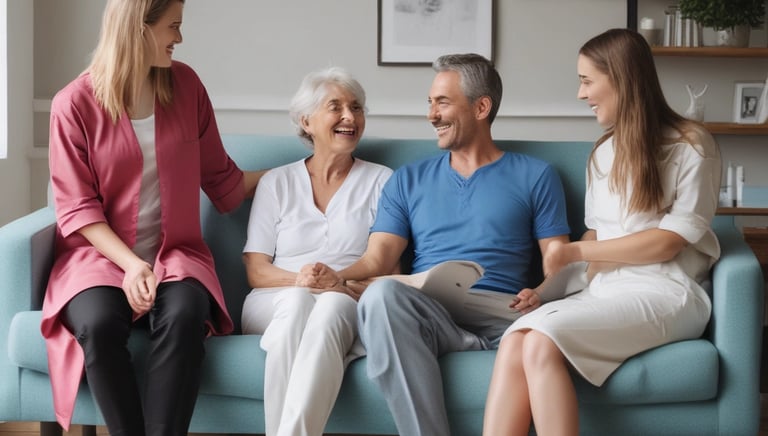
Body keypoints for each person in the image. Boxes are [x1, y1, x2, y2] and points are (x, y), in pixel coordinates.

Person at [297, 53, 571, 436]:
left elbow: (557, 260)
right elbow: (380, 257)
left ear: (481, 107)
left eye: (442, 102)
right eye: (430, 103)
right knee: (380, 296)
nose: (431, 115)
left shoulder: (536, 175)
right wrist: (337, 277)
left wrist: (540, 292)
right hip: (433, 316)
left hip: (503, 317)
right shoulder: (408, 180)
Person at [482, 28, 721, 436]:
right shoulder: (603, 152)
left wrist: (573, 252)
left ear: (621, 79)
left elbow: (669, 242)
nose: (581, 94)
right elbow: (596, 238)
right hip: (604, 290)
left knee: (539, 341)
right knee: (516, 338)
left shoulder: (691, 145)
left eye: (586, 80)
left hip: (667, 292)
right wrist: (546, 288)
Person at [40, 0, 264, 434]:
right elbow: (76, 207)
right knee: (99, 325)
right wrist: (131, 265)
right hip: (96, 259)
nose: (179, 38)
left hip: (177, 257)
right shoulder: (72, 104)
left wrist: (297, 172)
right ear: (138, 28)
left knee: (184, 316)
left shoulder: (187, 87)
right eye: (172, 26)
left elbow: (222, 181)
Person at [240, 67, 393, 436]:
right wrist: (300, 280)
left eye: (356, 108)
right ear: (306, 121)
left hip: (345, 295)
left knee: (330, 307)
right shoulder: (276, 183)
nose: (349, 117)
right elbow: (256, 270)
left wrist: (339, 283)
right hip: (274, 297)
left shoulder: (382, 180)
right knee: (297, 304)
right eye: (335, 107)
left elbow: (388, 269)